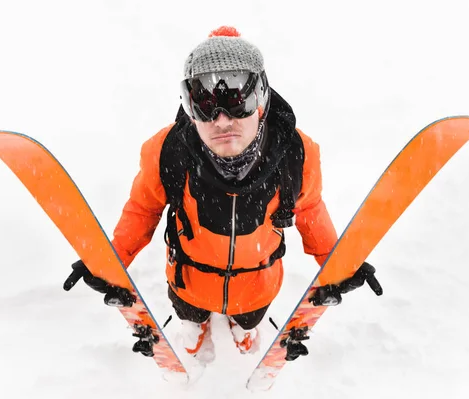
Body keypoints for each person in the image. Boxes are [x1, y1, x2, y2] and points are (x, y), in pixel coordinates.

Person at [67, 26, 381, 363]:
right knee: (190, 311)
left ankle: (244, 332)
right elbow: (143, 209)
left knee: (249, 318)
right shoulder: (169, 151)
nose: (221, 119)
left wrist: (336, 264)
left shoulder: (295, 154)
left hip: (257, 285)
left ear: (260, 98)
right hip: (189, 279)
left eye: (236, 100)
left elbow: (310, 209)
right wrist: (112, 262)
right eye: (203, 104)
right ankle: (194, 329)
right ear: (189, 109)